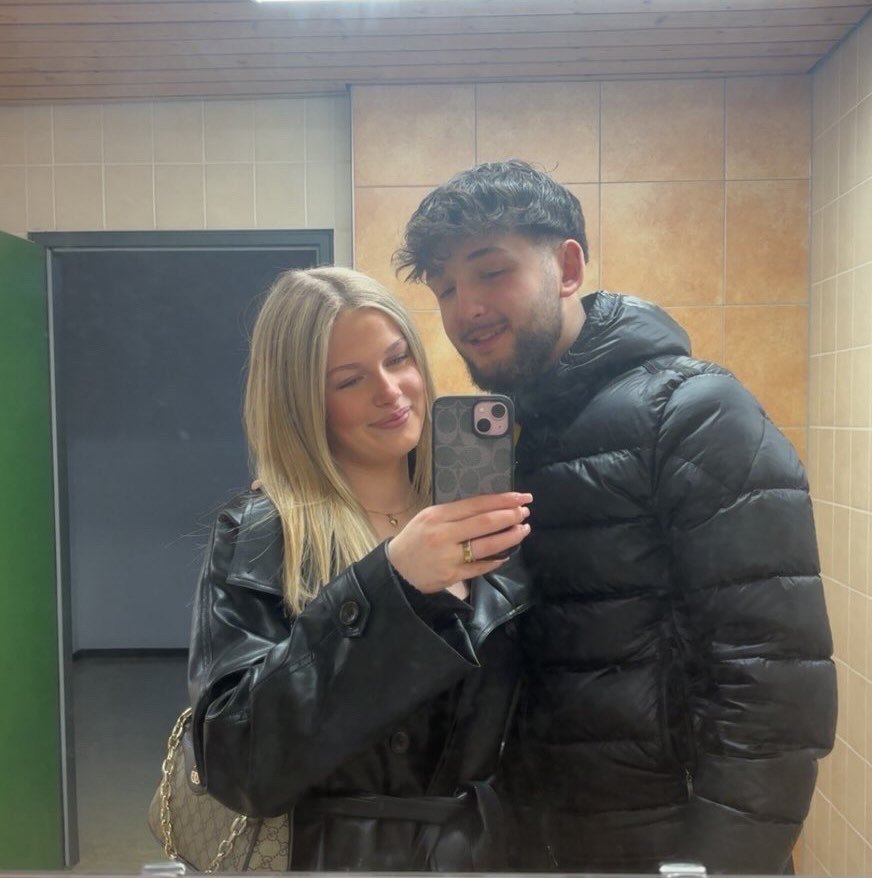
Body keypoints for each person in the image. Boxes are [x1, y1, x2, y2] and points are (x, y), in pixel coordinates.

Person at [394, 160, 837, 874]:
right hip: (528, 840)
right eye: (444, 288)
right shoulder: (506, 436)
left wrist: (715, 866)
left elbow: (774, 691)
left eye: (491, 272)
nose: (465, 308)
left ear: (568, 268)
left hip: (664, 849)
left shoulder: (694, 415)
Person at [187, 266, 534, 871]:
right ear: (302, 404)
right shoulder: (264, 534)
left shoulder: (481, 514)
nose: (392, 391)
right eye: (350, 381)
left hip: (489, 857)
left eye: (398, 359)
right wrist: (390, 582)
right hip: (339, 861)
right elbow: (237, 763)